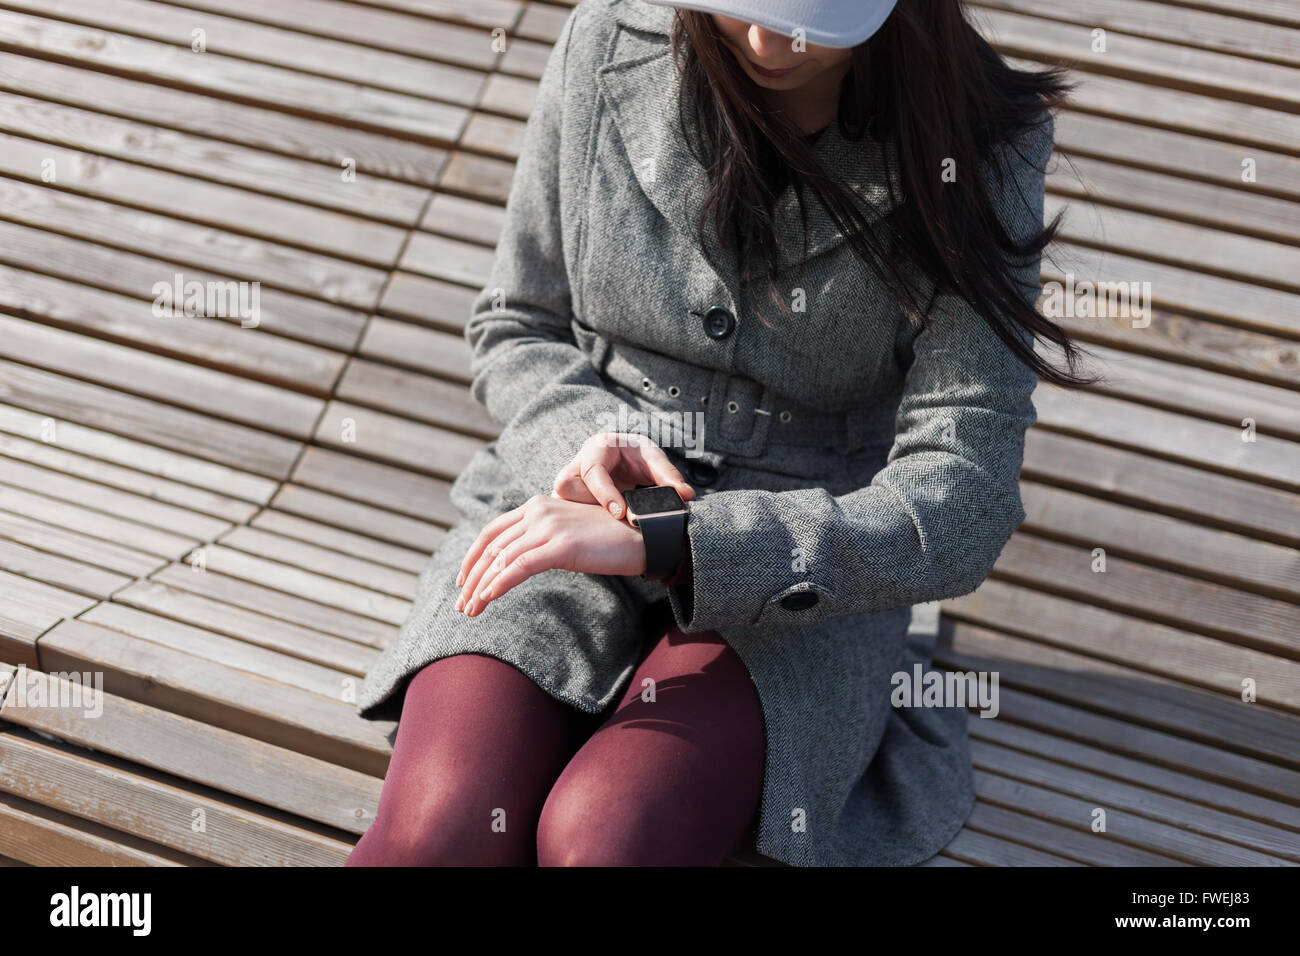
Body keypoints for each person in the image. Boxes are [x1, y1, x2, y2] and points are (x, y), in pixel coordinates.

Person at [347, 0, 1098, 867]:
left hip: (808, 566)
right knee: (435, 837)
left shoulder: (981, 146)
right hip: (558, 509)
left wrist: (677, 540)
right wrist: (590, 441)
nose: (768, 43)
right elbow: (517, 323)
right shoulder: (607, 40)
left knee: (605, 839)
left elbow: (960, 500)